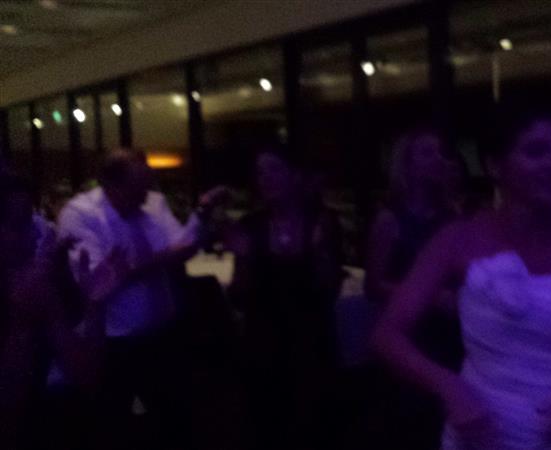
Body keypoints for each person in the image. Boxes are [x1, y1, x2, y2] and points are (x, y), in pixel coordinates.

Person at [372, 114, 551, 450]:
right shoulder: (458, 239)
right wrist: (449, 387)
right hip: (482, 432)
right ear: (494, 165)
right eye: (536, 151)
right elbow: (387, 334)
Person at [57, 149, 225, 450]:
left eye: (147, 185)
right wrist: (155, 261)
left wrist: (200, 213)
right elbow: (96, 282)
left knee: (177, 421)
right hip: (116, 342)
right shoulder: (80, 214)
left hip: (164, 332)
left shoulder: (152, 202)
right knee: (116, 426)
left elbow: (181, 246)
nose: (145, 196)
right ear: (110, 185)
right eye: (137, 188)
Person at [225, 145, 342, 450]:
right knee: (268, 427)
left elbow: (330, 289)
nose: (266, 178)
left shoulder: (321, 221)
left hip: (311, 343)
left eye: (275, 169)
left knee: (315, 428)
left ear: (295, 175)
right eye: (260, 172)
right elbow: (238, 297)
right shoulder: (251, 226)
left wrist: (320, 251)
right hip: (263, 344)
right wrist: (243, 258)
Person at [365, 128, 462, 450]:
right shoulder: (389, 220)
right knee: (412, 424)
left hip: (448, 334)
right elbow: (373, 285)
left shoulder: (451, 215)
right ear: (406, 165)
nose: (438, 160)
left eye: (440, 153)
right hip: (408, 335)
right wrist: (430, 297)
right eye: (427, 153)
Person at [0, 174, 106, 450]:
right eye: (16, 224)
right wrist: (23, 321)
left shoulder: (44, 280)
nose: (33, 234)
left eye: (29, 220)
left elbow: (87, 377)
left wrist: (93, 302)